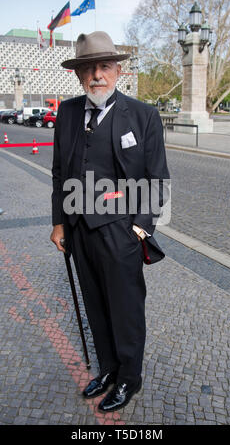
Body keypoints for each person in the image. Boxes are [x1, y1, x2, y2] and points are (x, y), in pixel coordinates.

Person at [50, 31, 170, 412]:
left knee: (125, 309)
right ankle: (108, 369)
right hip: (79, 229)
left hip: (121, 230)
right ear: (78, 75)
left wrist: (140, 227)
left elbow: (156, 177)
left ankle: (128, 379)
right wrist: (59, 223)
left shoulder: (143, 115)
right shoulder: (68, 112)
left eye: (104, 66)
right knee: (96, 305)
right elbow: (58, 172)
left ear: (118, 71)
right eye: (88, 68)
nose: (97, 75)